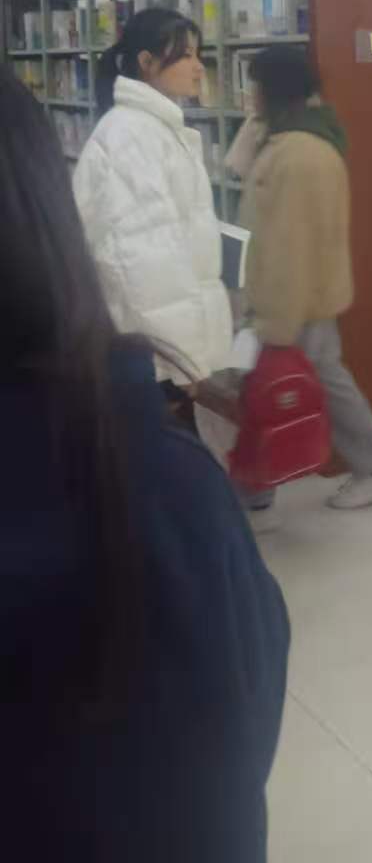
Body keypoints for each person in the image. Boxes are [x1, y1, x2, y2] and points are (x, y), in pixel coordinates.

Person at [0, 64, 289, 861]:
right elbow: (241, 711)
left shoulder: (150, 481)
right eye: (191, 55)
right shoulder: (156, 485)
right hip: (171, 326)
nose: (205, 70)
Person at [227, 45, 372, 525]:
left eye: (255, 86)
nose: (250, 95)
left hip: (289, 299)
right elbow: (237, 169)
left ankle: (257, 498)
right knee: (317, 379)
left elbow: (289, 244)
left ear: (274, 90)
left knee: (266, 386)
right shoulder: (285, 136)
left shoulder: (301, 153)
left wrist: (272, 322)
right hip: (294, 296)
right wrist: (256, 128)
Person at [73, 8, 234, 455]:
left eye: (199, 55)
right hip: (157, 360)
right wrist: (180, 362)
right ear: (146, 62)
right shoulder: (130, 137)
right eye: (186, 56)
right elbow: (141, 264)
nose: (199, 67)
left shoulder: (156, 129)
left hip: (165, 352)